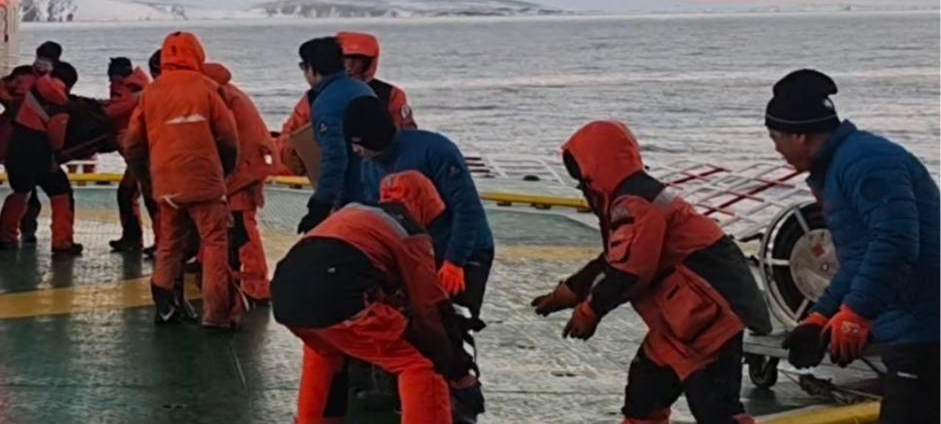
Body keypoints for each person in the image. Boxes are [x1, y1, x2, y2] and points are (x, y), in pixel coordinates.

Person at [531, 119, 771, 424]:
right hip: (682, 324)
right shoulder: (636, 197)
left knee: (717, 413)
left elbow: (630, 271)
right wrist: (564, 294)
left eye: (583, 181)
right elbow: (612, 260)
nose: (583, 189)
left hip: (709, 324)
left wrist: (589, 311)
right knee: (642, 402)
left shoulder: (634, 205)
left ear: (596, 171)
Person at [765, 69, 941, 421]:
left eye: (775, 137)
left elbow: (896, 241)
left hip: (926, 329)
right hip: (910, 326)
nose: (775, 148)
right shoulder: (843, 163)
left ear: (800, 135)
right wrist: (822, 315)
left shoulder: (866, 163)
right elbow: (860, 258)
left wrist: (857, 312)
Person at [272, 169, 472, 424]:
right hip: (338, 295)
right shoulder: (409, 231)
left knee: (326, 350)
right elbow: (429, 306)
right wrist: (451, 362)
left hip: (286, 294)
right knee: (420, 364)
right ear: (424, 203)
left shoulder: (353, 211)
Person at [347, 94, 492, 418]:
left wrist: (455, 261)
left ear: (369, 138)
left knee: (455, 322)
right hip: (416, 256)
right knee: (412, 322)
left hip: (465, 248)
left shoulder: (435, 151)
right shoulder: (369, 166)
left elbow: (466, 209)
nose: (354, 151)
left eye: (356, 143)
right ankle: (416, 396)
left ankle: (463, 402)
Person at [120, 31, 239, 328]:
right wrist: (224, 171)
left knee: (170, 243)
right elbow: (228, 137)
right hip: (205, 183)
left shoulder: (150, 93)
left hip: (167, 184)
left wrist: (146, 178)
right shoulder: (207, 87)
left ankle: (164, 306)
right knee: (214, 244)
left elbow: (132, 143)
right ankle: (216, 314)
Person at [0, 45, 82, 256]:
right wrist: (56, 154)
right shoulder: (60, 102)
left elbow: (4, 94)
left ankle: (6, 236)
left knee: (21, 191)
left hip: (15, 149)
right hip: (39, 153)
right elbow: (56, 136)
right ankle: (62, 242)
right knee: (61, 191)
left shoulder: (34, 88)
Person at [203, 61, 276, 305]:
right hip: (248, 167)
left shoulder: (220, 96)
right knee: (239, 227)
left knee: (243, 228)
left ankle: (256, 286)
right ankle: (244, 281)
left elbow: (223, 137)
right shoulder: (228, 92)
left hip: (241, 171)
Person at [299, 35, 376, 233]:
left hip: (354, 194)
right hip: (376, 185)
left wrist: (320, 204)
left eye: (303, 67)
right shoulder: (362, 88)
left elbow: (334, 157)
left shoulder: (327, 102)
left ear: (312, 68)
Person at [104, 56, 157, 252]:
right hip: (138, 151)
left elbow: (114, 111)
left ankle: (160, 241)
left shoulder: (130, 89)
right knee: (127, 194)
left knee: (149, 197)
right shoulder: (137, 86)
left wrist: (91, 109)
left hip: (141, 152)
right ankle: (133, 238)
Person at [337, 30, 417, 129]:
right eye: (345, 59)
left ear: (369, 62)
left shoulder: (392, 94)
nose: (349, 65)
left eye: (357, 60)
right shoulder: (317, 94)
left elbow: (406, 134)